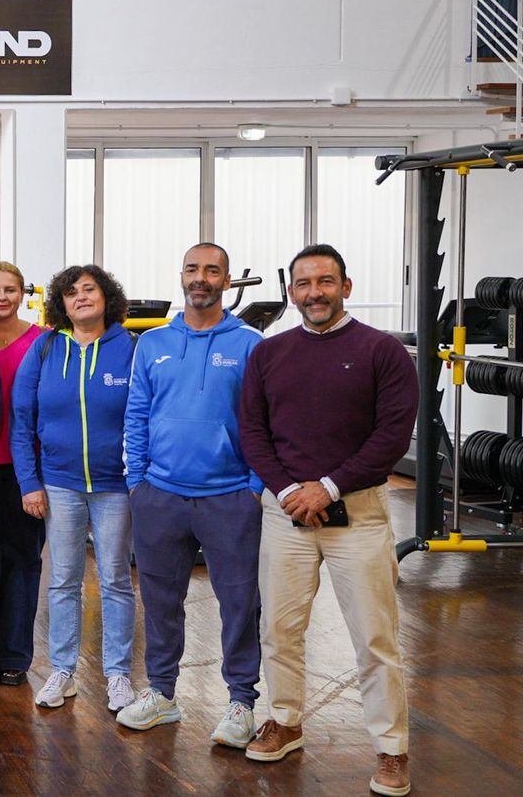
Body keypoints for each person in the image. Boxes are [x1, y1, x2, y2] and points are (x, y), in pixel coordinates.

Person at [238, 244, 417, 797]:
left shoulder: (383, 351)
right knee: (279, 629)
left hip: (357, 516)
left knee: (375, 637)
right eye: (303, 283)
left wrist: (329, 486)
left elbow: (391, 436)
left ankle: (391, 749)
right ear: (292, 291)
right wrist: (291, 490)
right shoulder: (269, 354)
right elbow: (253, 432)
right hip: (285, 512)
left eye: (325, 281)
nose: (314, 292)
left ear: (346, 286)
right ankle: (285, 721)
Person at [116, 243, 265, 748]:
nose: (201, 278)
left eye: (212, 270)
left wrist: (254, 488)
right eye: (193, 269)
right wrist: (137, 481)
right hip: (159, 496)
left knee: (239, 603)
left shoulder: (250, 343)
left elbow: (261, 421)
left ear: (227, 280)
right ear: (181, 275)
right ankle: (162, 693)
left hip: (230, 497)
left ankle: (241, 701)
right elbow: (137, 413)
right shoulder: (152, 343)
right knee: (160, 601)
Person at [12, 264, 138, 714]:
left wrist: (139, 478)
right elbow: (21, 420)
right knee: (63, 580)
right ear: (61, 304)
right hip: (60, 484)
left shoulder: (130, 348)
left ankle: (118, 674)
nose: (81, 297)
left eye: (89, 289)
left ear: (107, 297)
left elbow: (145, 416)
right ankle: (62, 670)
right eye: (71, 292)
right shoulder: (46, 348)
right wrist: (30, 482)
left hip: (116, 486)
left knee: (116, 580)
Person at [0, 261, 46, 689]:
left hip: (26, 470)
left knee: (23, 559)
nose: (2, 297)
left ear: (22, 294)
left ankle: (16, 654)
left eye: (10, 290)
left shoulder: (45, 341)